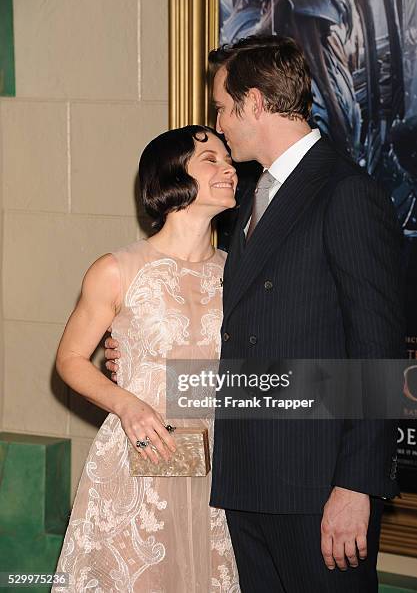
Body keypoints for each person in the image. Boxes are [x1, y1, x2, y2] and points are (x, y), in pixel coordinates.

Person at [105, 35, 405, 593]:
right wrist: (139, 352)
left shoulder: (345, 192)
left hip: (317, 492)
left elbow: (378, 351)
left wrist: (356, 487)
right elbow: (240, 334)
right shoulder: (245, 199)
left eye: (222, 107)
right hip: (244, 486)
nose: (218, 122)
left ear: (256, 103)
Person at [53, 126, 240, 592]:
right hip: (141, 459)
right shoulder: (116, 269)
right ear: (173, 176)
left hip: (221, 467)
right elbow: (71, 359)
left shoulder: (239, 271)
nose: (229, 168)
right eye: (211, 159)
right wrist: (127, 404)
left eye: (228, 159)